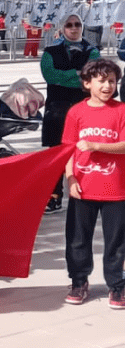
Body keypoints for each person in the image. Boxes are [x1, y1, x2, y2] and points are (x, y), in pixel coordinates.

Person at [61, 59, 124, 308]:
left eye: (112, 81)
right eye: (102, 80)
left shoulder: (121, 111)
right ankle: (78, 281)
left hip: (116, 190)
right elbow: (66, 150)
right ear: (87, 83)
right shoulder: (76, 112)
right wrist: (70, 178)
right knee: (77, 239)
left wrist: (97, 146)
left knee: (116, 242)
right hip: (83, 188)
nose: (108, 85)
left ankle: (117, 286)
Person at [40, 12, 100, 214]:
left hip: (84, 108)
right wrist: (76, 74)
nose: (74, 28)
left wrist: (66, 77)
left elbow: (92, 77)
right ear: (63, 28)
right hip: (57, 108)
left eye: (77, 24)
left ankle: (87, 193)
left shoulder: (92, 51)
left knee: (85, 152)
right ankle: (54, 196)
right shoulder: (50, 50)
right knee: (56, 153)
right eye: (69, 25)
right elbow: (49, 75)